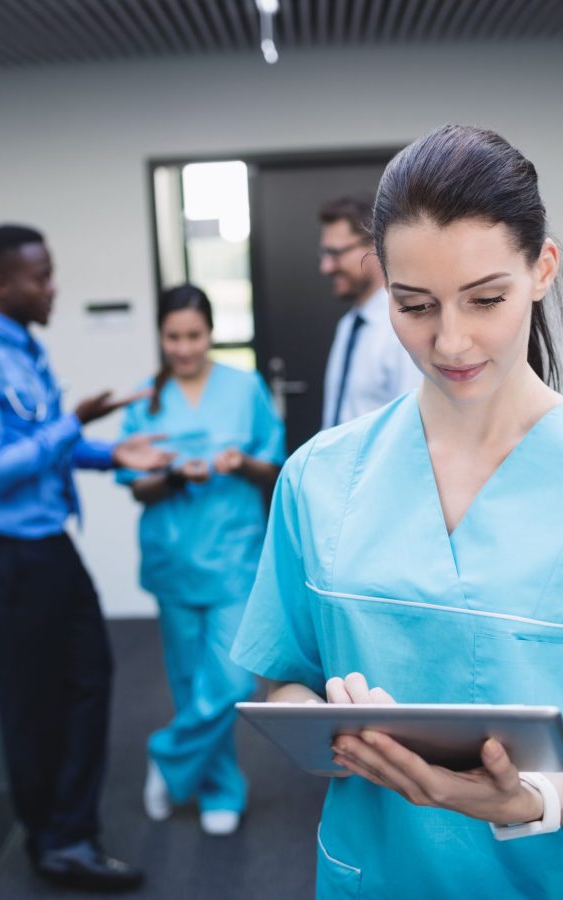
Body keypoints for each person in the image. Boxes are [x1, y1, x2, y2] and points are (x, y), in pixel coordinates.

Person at [232, 125, 563, 899]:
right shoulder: (319, 478)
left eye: (486, 300)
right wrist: (331, 724)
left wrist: (534, 799)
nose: (451, 341)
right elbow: (280, 677)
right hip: (372, 871)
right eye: (415, 305)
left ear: (543, 268)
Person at [0, 224, 175, 892]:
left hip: (43, 545)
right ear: (3, 284)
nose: (52, 287)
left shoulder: (24, 345)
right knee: (36, 698)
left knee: (83, 679)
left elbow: (44, 447)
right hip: (10, 554)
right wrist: (74, 422)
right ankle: (57, 842)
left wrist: (115, 452)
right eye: (42, 276)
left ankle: (67, 827)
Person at [117, 284, 285, 836]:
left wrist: (240, 463)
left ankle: (166, 754)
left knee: (234, 681)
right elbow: (136, 486)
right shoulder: (145, 399)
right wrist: (170, 475)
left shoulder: (244, 388)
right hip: (173, 559)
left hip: (234, 559)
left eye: (194, 335)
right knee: (191, 684)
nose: (185, 348)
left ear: (210, 333)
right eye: (173, 337)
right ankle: (219, 788)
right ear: (161, 336)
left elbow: (274, 467)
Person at [319, 194, 420, 428]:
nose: (325, 267)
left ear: (374, 248)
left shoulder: (403, 326)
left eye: (335, 253)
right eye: (324, 254)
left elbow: (411, 424)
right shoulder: (349, 324)